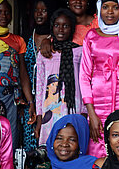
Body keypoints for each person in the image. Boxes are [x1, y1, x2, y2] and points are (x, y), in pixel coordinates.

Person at [80, 0, 119, 158]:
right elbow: (84, 76)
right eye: (105, 7)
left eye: (115, 7)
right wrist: (91, 113)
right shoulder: (91, 36)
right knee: (96, 147)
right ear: (99, 9)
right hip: (96, 104)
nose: (110, 12)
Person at [34, 8, 85, 145]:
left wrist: (85, 112)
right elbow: (39, 87)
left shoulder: (80, 52)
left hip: (73, 108)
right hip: (50, 109)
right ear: (52, 27)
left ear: (72, 29)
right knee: (51, 146)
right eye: (57, 25)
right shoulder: (45, 53)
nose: (61, 30)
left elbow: (84, 83)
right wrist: (39, 118)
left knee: (72, 145)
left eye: (66, 26)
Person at [0, 0, 35, 150]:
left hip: (12, 98)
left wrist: (30, 102)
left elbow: (23, 74)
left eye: (7, 12)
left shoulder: (18, 41)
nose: (3, 16)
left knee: (11, 137)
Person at [22, 0, 52, 153]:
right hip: (29, 98)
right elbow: (23, 71)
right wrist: (30, 101)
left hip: (50, 99)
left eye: (44, 10)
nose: (39, 14)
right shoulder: (27, 35)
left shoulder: (56, 37)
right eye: (36, 10)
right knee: (30, 144)